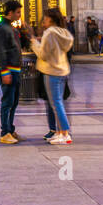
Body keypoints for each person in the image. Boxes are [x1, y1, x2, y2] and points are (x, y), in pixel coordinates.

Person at [32, 8, 75, 144]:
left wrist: (35, 44)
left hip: (51, 71)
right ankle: (61, 132)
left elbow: (43, 55)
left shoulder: (50, 33)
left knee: (56, 103)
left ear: (50, 19)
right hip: (62, 70)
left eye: (45, 18)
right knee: (58, 103)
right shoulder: (63, 32)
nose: (43, 21)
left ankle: (65, 133)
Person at [0, 0, 24, 144]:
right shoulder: (2, 28)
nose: (19, 15)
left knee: (14, 102)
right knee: (7, 102)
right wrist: (4, 71)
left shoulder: (11, 28)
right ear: (10, 12)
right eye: (17, 12)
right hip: (8, 70)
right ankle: (5, 132)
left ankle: (10, 129)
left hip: (15, 70)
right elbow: (0, 51)